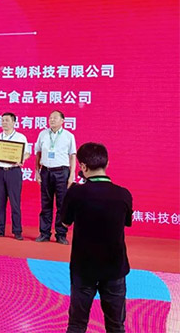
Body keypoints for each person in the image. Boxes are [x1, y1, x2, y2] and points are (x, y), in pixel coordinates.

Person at [62, 142, 132, 333]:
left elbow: (64, 223)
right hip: (115, 267)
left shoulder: (76, 192)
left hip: (83, 267)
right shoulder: (123, 194)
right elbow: (127, 222)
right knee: (116, 325)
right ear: (107, 163)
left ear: (83, 166)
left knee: (76, 325)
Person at [35, 110, 76, 244]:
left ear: (62, 121)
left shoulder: (69, 136)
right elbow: (38, 154)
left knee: (62, 204)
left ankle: (61, 234)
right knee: (45, 204)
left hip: (62, 172)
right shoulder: (43, 134)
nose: (52, 120)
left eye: (55, 118)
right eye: (50, 118)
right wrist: (37, 171)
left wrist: (72, 174)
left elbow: (72, 156)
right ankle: (44, 233)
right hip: (46, 171)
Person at [0, 112, 30, 240]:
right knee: (0, 203)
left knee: (15, 203)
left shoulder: (20, 137)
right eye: (2, 120)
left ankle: (17, 231)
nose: (4, 123)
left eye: (7, 120)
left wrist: (21, 159)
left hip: (13, 172)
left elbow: (27, 153)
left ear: (14, 122)